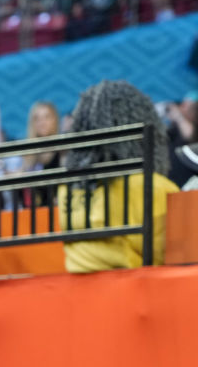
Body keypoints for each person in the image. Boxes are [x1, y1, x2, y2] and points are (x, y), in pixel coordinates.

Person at [58, 80, 179, 273]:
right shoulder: (153, 186)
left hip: (76, 294)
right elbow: (172, 256)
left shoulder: (67, 188)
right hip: (137, 292)